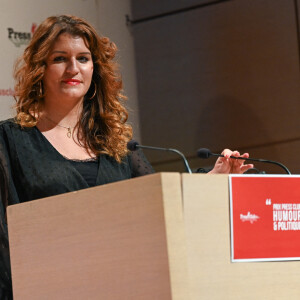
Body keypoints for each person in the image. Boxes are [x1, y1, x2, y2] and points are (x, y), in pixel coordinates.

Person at [0, 15, 253, 298]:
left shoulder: (115, 144)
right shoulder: (10, 140)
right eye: (60, 58)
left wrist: (213, 178)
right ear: (40, 68)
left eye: (83, 59)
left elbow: (158, 206)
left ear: (94, 69)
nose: (73, 68)